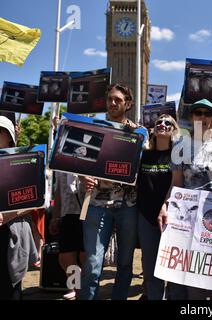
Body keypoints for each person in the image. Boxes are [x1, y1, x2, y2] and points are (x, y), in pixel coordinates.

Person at [79, 84, 147, 300]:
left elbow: (144, 167)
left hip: (128, 204)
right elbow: (81, 160)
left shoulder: (139, 133)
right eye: (110, 99)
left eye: (118, 99)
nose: (112, 103)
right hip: (97, 204)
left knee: (125, 262)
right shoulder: (94, 128)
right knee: (93, 261)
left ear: (128, 103)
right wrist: (83, 176)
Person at [158, 99, 212, 300]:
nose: (202, 117)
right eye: (198, 113)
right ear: (192, 117)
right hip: (190, 220)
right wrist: (165, 206)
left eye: (207, 113)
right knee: (192, 279)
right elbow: (176, 183)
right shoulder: (181, 144)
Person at [137, 114, 180, 300]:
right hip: (145, 217)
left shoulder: (178, 156)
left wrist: (166, 205)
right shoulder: (144, 155)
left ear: (174, 129)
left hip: (172, 217)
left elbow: (178, 184)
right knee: (151, 268)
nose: (162, 124)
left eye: (167, 123)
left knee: (173, 267)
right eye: (159, 122)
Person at [0, 116, 38, 299]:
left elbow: (33, 201)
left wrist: (5, 217)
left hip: (12, 234)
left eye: (0, 131)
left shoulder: (22, 159)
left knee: (11, 288)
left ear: (9, 136)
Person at [48, 172, 85, 300]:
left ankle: (81, 291)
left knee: (84, 257)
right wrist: (55, 217)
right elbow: (58, 192)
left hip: (88, 212)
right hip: (66, 215)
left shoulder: (88, 155)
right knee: (65, 258)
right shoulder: (60, 162)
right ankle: (78, 289)